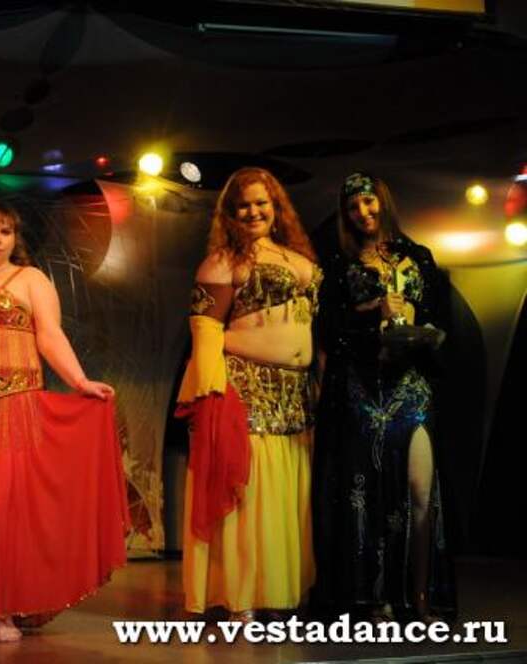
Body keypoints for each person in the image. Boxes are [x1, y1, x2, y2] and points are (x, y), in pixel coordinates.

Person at [0, 200, 130, 642]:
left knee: (2, 507)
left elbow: (49, 335)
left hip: (15, 406)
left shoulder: (30, 279)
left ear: (15, 238)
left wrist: (79, 380)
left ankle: (7, 610)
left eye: (5, 231)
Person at [175, 167, 320, 620]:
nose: (254, 212)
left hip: (295, 392)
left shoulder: (297, 256)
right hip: (245, 388)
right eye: (244, 205)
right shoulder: (222, 262)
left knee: (285, 497)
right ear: (230, 213)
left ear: (276, 208)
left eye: (262, 203)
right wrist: (208, 395)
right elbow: (205, 330)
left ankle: (279, 591)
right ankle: (241, 596)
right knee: (249, 493)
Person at [312, 172, 455, 622]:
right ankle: (376, 599)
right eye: (353, 207)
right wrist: (372, 311)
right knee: (369, 496)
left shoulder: (420, 256)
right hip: (364, 390)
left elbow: (442, 318)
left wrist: (417, 315)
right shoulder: (339, 264)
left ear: (383, 202)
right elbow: (329, 329)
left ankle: (422, 596)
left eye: (368, 202)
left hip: (413, 387)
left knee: (421, 492)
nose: (363, 212)